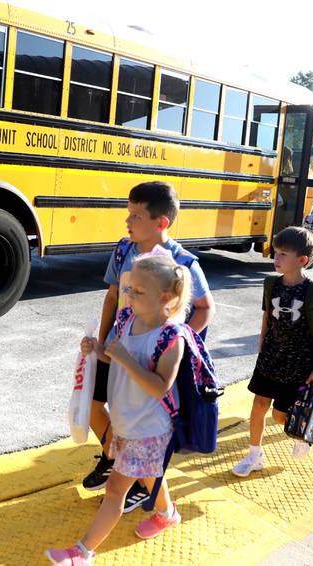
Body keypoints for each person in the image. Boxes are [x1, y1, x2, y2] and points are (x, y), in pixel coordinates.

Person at [46, 254, 189, 566]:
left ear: (165, 298)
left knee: (114, 490)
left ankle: (82, 553)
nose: (128, 295)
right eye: (129, 288)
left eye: (137, 291)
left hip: (148, 429)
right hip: (127, 421)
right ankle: (167, 514)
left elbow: (160, 385)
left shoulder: (171, 337)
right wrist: (97, 350)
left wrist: (123, 357)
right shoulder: (128, 320)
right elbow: (115, 355)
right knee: (151, 475)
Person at [82, 181, 215, 512]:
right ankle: (117, 459)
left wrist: (173, 340)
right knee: (94, 405)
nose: (128, 222)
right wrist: (103, 340)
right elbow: (113, 295)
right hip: (118, 346)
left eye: (136, 215)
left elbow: (205, 307)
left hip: (148, 360)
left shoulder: (182, 262)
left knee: (146, 421)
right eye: (128, 214)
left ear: (161, 223)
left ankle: (142, 481)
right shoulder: (124, 250)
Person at [231, 227, 313, 476]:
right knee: (258, 404)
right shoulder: (271, 284)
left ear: (302, 260)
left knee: (279, 415)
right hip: (270, 359)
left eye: (283, 254)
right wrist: (262, 343)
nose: (276, 258)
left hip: (298, 365)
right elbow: (267, 316)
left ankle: (301, 434)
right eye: (276, 253)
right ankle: (254, 455)